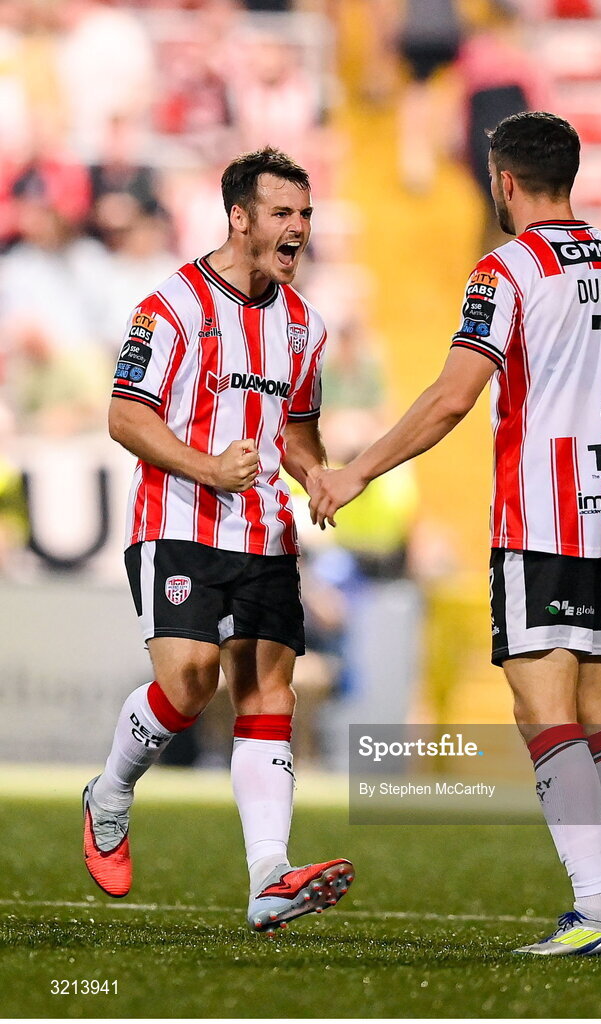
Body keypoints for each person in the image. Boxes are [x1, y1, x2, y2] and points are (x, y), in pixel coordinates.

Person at [309, 112, 601, 956]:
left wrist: (356, 470)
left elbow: (453, 397)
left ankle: (597, 907)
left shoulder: (507, 269)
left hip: (543, 518)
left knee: (540, 707)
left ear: (504, 182)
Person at [82, 147, 354, 934]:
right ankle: (109, 793)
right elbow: (125, 417)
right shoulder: (169, 306)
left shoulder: (306, 324)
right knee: (192, 679)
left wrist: (318, 476)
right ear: (240, 217)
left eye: (305, 214)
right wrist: (208, 467)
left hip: (265, 531)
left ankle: (269, 875)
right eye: (283, 215)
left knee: (269, 697)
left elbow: (297, 433)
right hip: (177, 522)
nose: (299, 229)